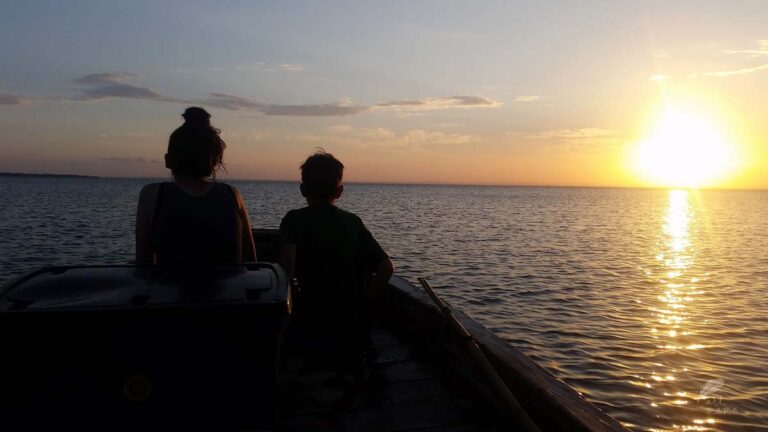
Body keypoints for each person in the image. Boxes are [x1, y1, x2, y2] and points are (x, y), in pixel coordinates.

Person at [279, 150, 394, 354]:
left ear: (303, 190)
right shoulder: (353, 222)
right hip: (349, 321)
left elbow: (287, 273)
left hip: (310, 319)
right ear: (339, 192)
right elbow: (386, 267)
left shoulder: (293, 220)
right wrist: (365, 306)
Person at [135, 107, 256, 269]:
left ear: (168, 160)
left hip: (170, 293)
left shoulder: (152, 194)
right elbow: (251, 261)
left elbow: (143, 264)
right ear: (213, 162)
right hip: (229, 293)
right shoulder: (232, 194)